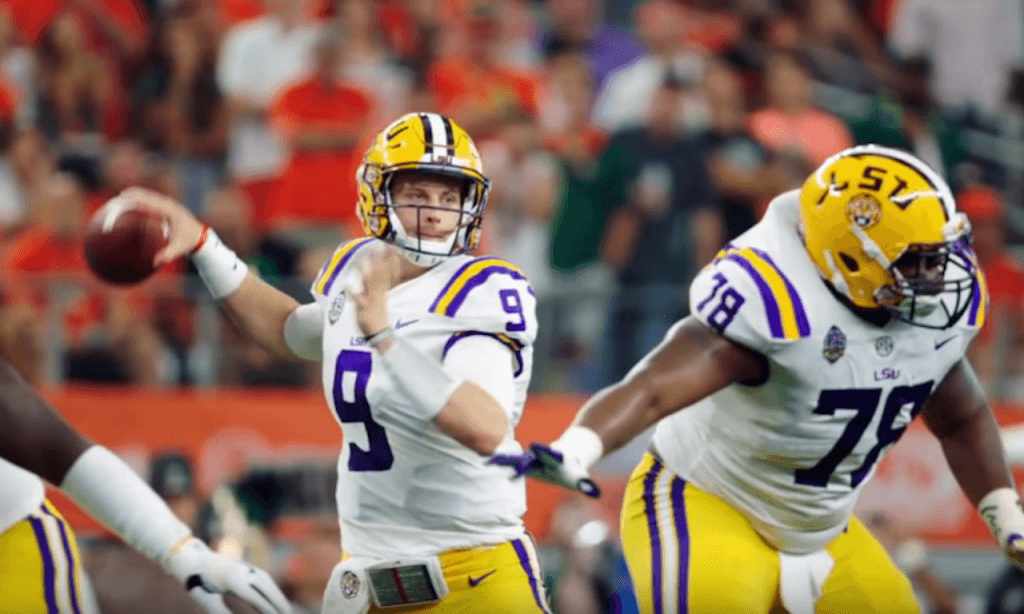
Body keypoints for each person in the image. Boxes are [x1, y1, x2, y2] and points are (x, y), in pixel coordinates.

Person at [495, 144, 1024, 614]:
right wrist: (579, 446)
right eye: (919, 262)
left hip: (819, 526)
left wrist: (1005, 515)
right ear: (854, 259)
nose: (943, 276)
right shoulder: (780, 302)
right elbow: (654, 386)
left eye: (942, 255)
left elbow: (962, 417)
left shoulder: (933, 314)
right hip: (707, 502)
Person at [127, 111, 549, 613]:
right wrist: (205, 245)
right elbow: (289, 331)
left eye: (449, 196)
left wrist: (387, 338)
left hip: (471, 580)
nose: (435, 212)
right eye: (417, 194)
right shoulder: (358, 268)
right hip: (368, 581)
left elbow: (485, 426)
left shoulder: (481, 290)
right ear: (380, 195)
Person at [0, 360, 289, 613]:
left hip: (11, 545)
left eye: (182, 500)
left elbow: (56, 447)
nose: (180, 509)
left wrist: (184, 554)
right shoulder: (110, 568)